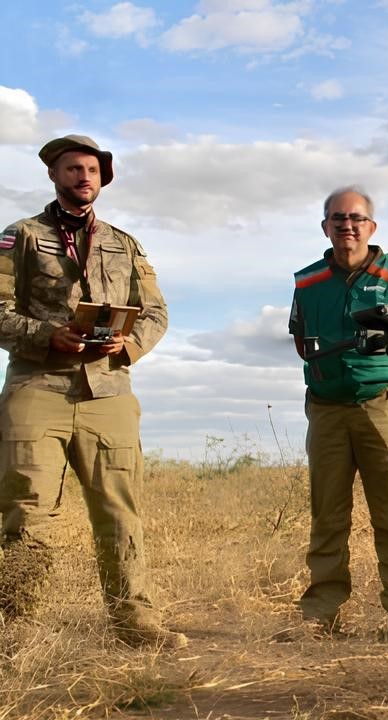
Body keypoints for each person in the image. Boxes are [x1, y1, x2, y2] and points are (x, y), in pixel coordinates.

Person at [0, 135, 183, 648]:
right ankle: (13, 630)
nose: (84, 177)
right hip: (38, 384)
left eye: (93, 171)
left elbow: (156, 312)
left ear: (102, 180)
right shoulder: (21, 236)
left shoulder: (124, 244)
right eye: (73, 169)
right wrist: (44, 334)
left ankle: (136, 625)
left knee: (119, 508)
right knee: (25, 508)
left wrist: (126, 347)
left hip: (109, 390)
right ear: (54, 176)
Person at [286, 187, 388, 642]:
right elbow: (301, 338)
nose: (348, 226)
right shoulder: (307, 281)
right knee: (327, 513)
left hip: (382, 405)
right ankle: (322, 613)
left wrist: (385, 375)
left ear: (372, 226)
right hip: (326, 409)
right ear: (325, 226)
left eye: (357, 218)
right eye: (338, 218)